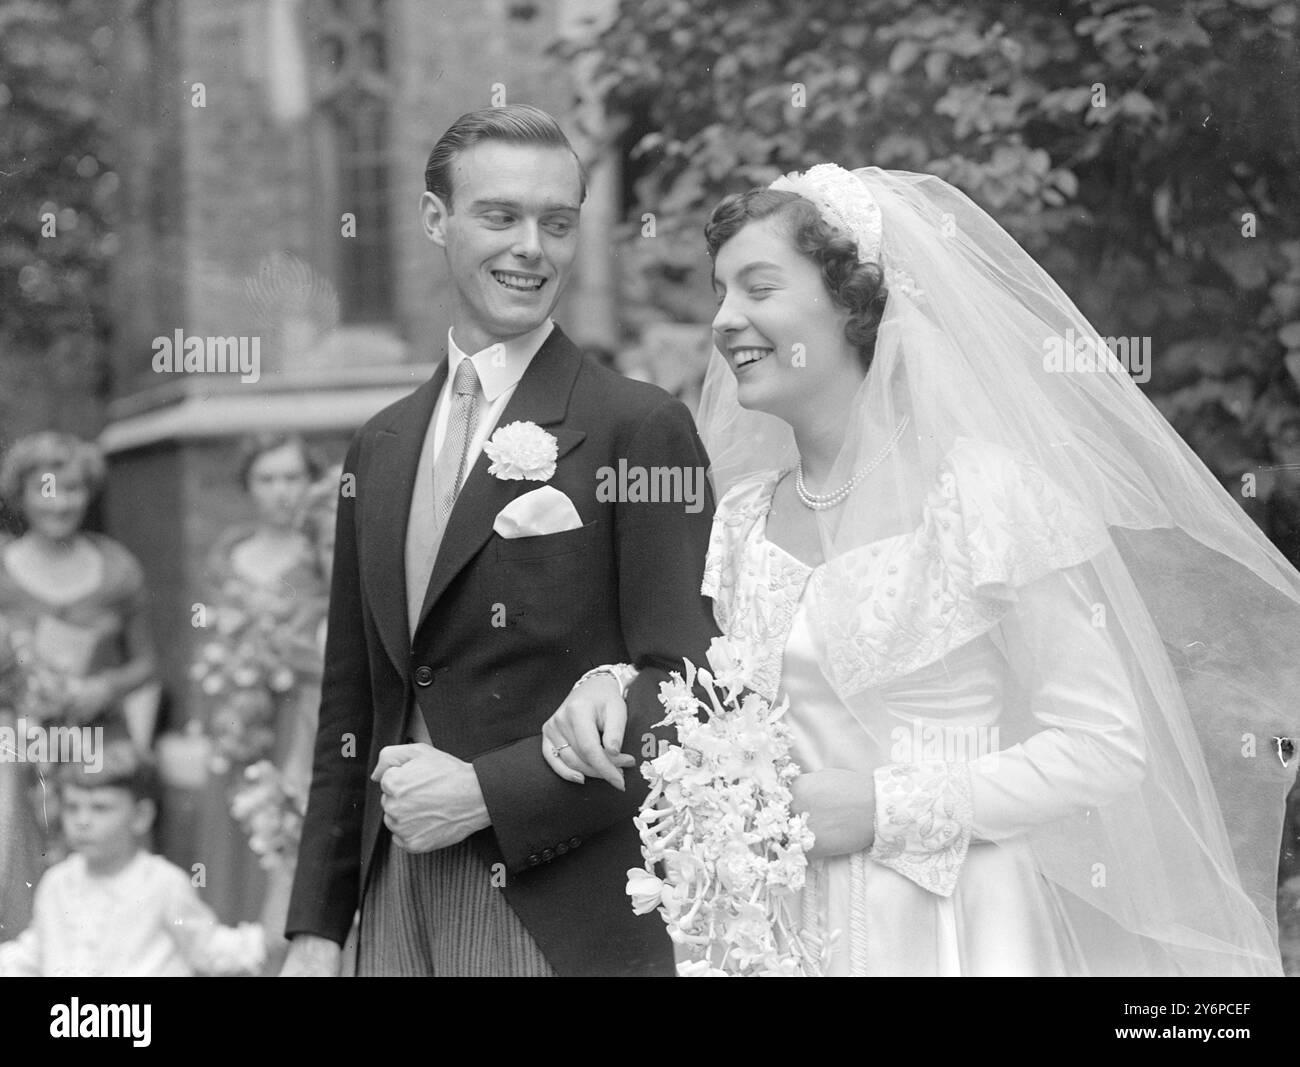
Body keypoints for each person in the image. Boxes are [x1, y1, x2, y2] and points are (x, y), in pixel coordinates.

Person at [548, 165, 1299, 975]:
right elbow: (713, 705)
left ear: (854, 303)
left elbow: (1103, 746)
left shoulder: (983, 497)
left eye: (759, 288)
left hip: (956, 923)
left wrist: (882, 806)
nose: (727, 321)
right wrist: (609, 683)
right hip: (783, 923)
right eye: (721, 292)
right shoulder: (741, 520)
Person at [280, 104, 717, 977]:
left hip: (558, 908)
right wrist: (317, 932)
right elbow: (352, 704)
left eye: (558, 223)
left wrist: (486, 792)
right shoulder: (381, 444)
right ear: (436, 219)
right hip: (394, 908)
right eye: (501, 216)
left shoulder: (639, 428)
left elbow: (687, 696)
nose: (533, 247)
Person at [0, 432, 156, 942]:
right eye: (45, 488)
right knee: (26, 869)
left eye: (71, 488)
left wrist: (103, 688)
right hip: (22, 750)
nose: (58, 501)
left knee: (107, 866)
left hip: (100, 744)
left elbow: (148, 664)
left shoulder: (118, 569)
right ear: (19, 494)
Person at [191, 434, 328, 955]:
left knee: (284, 825)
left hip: (297, 716)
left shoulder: (319, 552)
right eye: (266, 479)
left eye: (291, 477)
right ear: (248, 487)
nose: (281, 492)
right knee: (233, 833)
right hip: (238, 720)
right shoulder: (230, 555)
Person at [0, 741, 264, 976]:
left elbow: (209, 948)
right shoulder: (57, 882)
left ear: (140, 817)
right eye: (72, 807)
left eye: (100, 808)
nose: (82, 821)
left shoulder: (164, 882)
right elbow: (33, 952)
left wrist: (264, 943)